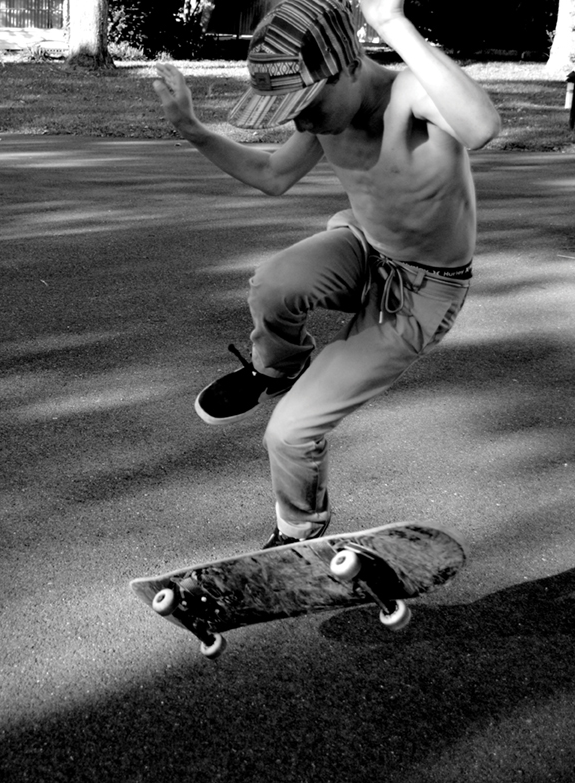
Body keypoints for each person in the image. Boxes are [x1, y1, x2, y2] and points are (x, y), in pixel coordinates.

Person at [153, 0, 500, 548]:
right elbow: (272, 174)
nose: (301, 122)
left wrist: (392, 23)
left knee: (290, 431)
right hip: (363, 248)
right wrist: (193, 130)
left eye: (307, 104)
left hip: (422, 290)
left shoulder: (411, 96)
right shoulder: (325, 113)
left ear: (346, 65)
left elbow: (481, 126)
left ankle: (297, 532)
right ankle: (276, 369)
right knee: (273, 284)